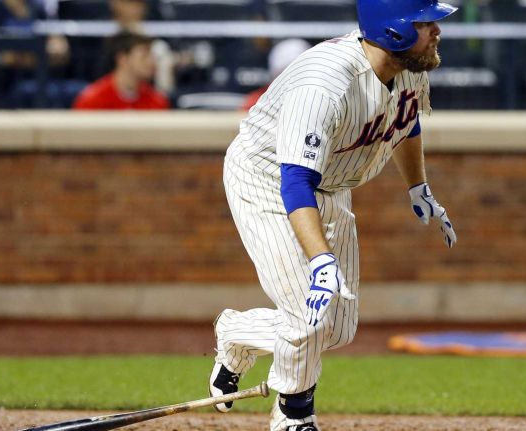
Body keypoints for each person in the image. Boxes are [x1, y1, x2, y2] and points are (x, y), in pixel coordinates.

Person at [209, 1, 458, 430]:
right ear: (394, 30)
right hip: (268, 180)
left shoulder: (410, 69)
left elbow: (406, 122)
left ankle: (238, 332)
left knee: (337, 329)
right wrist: (320, 260)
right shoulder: (324, 84)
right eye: (425, 22)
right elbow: (295, 183)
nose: (437, 30)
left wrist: (418, 186)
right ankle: (294, 414)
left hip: (330, 187)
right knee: (307, 318)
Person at [72, 31, 169, 110]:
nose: (152, 62)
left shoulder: (157, 101)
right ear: (122, 58)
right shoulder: (92, 101)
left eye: (152, 56)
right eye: (144, 56)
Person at [241, 38, 312, 111]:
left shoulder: (316, 97)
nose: (293, 80)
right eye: (285, 74)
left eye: (300, 73)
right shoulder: (256, 101)